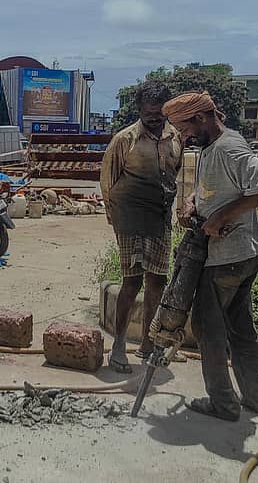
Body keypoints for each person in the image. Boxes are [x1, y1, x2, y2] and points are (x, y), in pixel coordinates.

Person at [163, 91, 258, 422]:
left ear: (201, 119)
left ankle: (224, 403)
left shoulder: (229, 147)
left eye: (185, 130)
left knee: (207, 328)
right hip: (241, 256)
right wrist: (192, 206)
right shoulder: (210, 148)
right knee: (240, 326)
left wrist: (221, 218)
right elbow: (211, 191)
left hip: (226, 259)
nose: (184, 137)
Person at [100, 81, 182, 373]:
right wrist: (116, 220)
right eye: (149, 115)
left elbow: (174, 174)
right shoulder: (125, 140)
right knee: (132, 282)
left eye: (160, 114)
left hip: (160, 219)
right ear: (139, 111)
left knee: (158, 281)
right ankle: (119, 345)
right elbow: (107, 183)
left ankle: (149, 344)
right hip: (130, 219)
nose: (155, 120)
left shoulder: (176, 137)